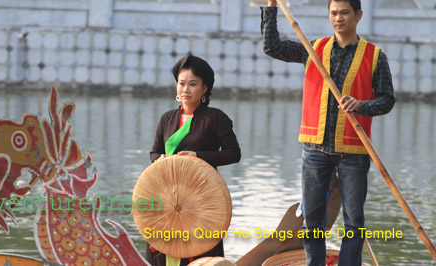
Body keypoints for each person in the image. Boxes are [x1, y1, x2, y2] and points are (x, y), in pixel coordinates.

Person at [261, 0, 395, 265]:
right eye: (333, 13)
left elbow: (387, 100)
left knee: (354, 221)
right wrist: (271, 7)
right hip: (315, 150)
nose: (338, 18)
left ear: (358, 15)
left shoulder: (374, 55)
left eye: (344, 13)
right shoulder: (314, 49)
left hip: (354, 151)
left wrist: (361, 105)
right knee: (312, 220)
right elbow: (272, 47)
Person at [147, 55, 241, 265]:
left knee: (200, 252)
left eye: (193, 84)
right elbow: (153, 152)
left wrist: (198, 157)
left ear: (205, 88)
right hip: (167, 197)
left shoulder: (215, 118)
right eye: (181, 84)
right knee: (162, 251)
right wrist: (160, 159)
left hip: (201, 199)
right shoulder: (166, 118)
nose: (185, 90)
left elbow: (234, 153)